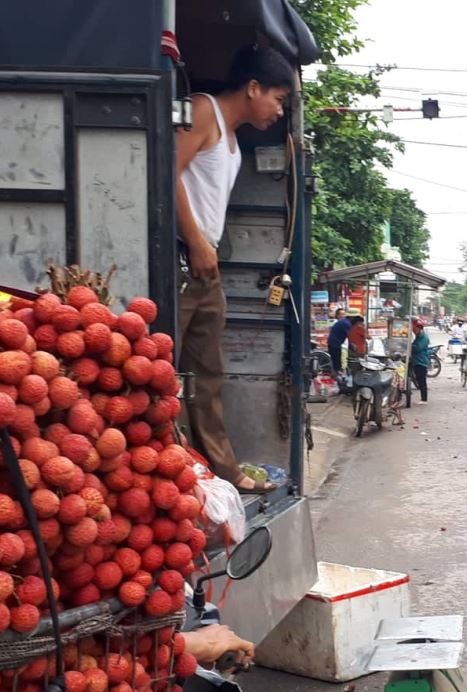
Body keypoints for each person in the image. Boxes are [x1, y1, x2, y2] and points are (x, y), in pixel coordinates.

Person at [175, 45, 294, 492]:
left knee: (208, 376)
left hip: (205, 265)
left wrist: (206, 249)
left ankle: (223, 473)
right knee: (163, 371)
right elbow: (166, 172)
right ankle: (169, 470)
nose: (278, 111)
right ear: (253, 87)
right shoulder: (203, 110)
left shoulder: (234, 140)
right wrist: (194, 242)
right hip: (182, 259)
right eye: (278, 99)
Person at [409, 318, 432, 404]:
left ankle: (424, 399)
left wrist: (410, 346)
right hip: (417, 361)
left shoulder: (423, 337)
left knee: (422, 380)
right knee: (419, 379)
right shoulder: (418, 337)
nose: (413, 330)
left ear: (418, 328)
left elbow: (418, 348)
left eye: (414, 328)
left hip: (421, 361)